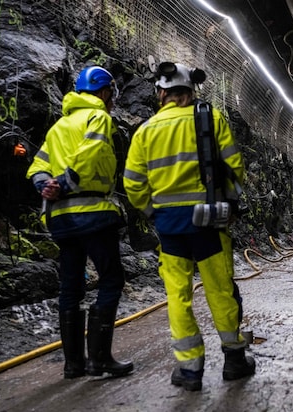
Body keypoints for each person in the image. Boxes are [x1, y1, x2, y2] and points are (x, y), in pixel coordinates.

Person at [123, 61, 254, 391]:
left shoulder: (146, 131)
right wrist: (231, 205)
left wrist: (153, 213)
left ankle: (190, 370)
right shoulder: (211, 119)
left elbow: (133, 184)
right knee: (221, 291)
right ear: (190, 91)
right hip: (209, 222)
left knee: (177, 296)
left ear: (161, 93)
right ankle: (234, 361)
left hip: (170, 228)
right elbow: (234, 166)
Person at [26, 65, 133, 379]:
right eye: (111, 94)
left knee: (70, 288)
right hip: (93, 214)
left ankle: (74, 364)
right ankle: (100, 359)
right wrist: (67, 181)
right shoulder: (98, 117)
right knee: (111, 280)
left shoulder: (58, 127)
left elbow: (37, 166)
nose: (112, 101)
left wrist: (46, 184)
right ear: (103, 92)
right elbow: (92, 151)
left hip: (61, 219)